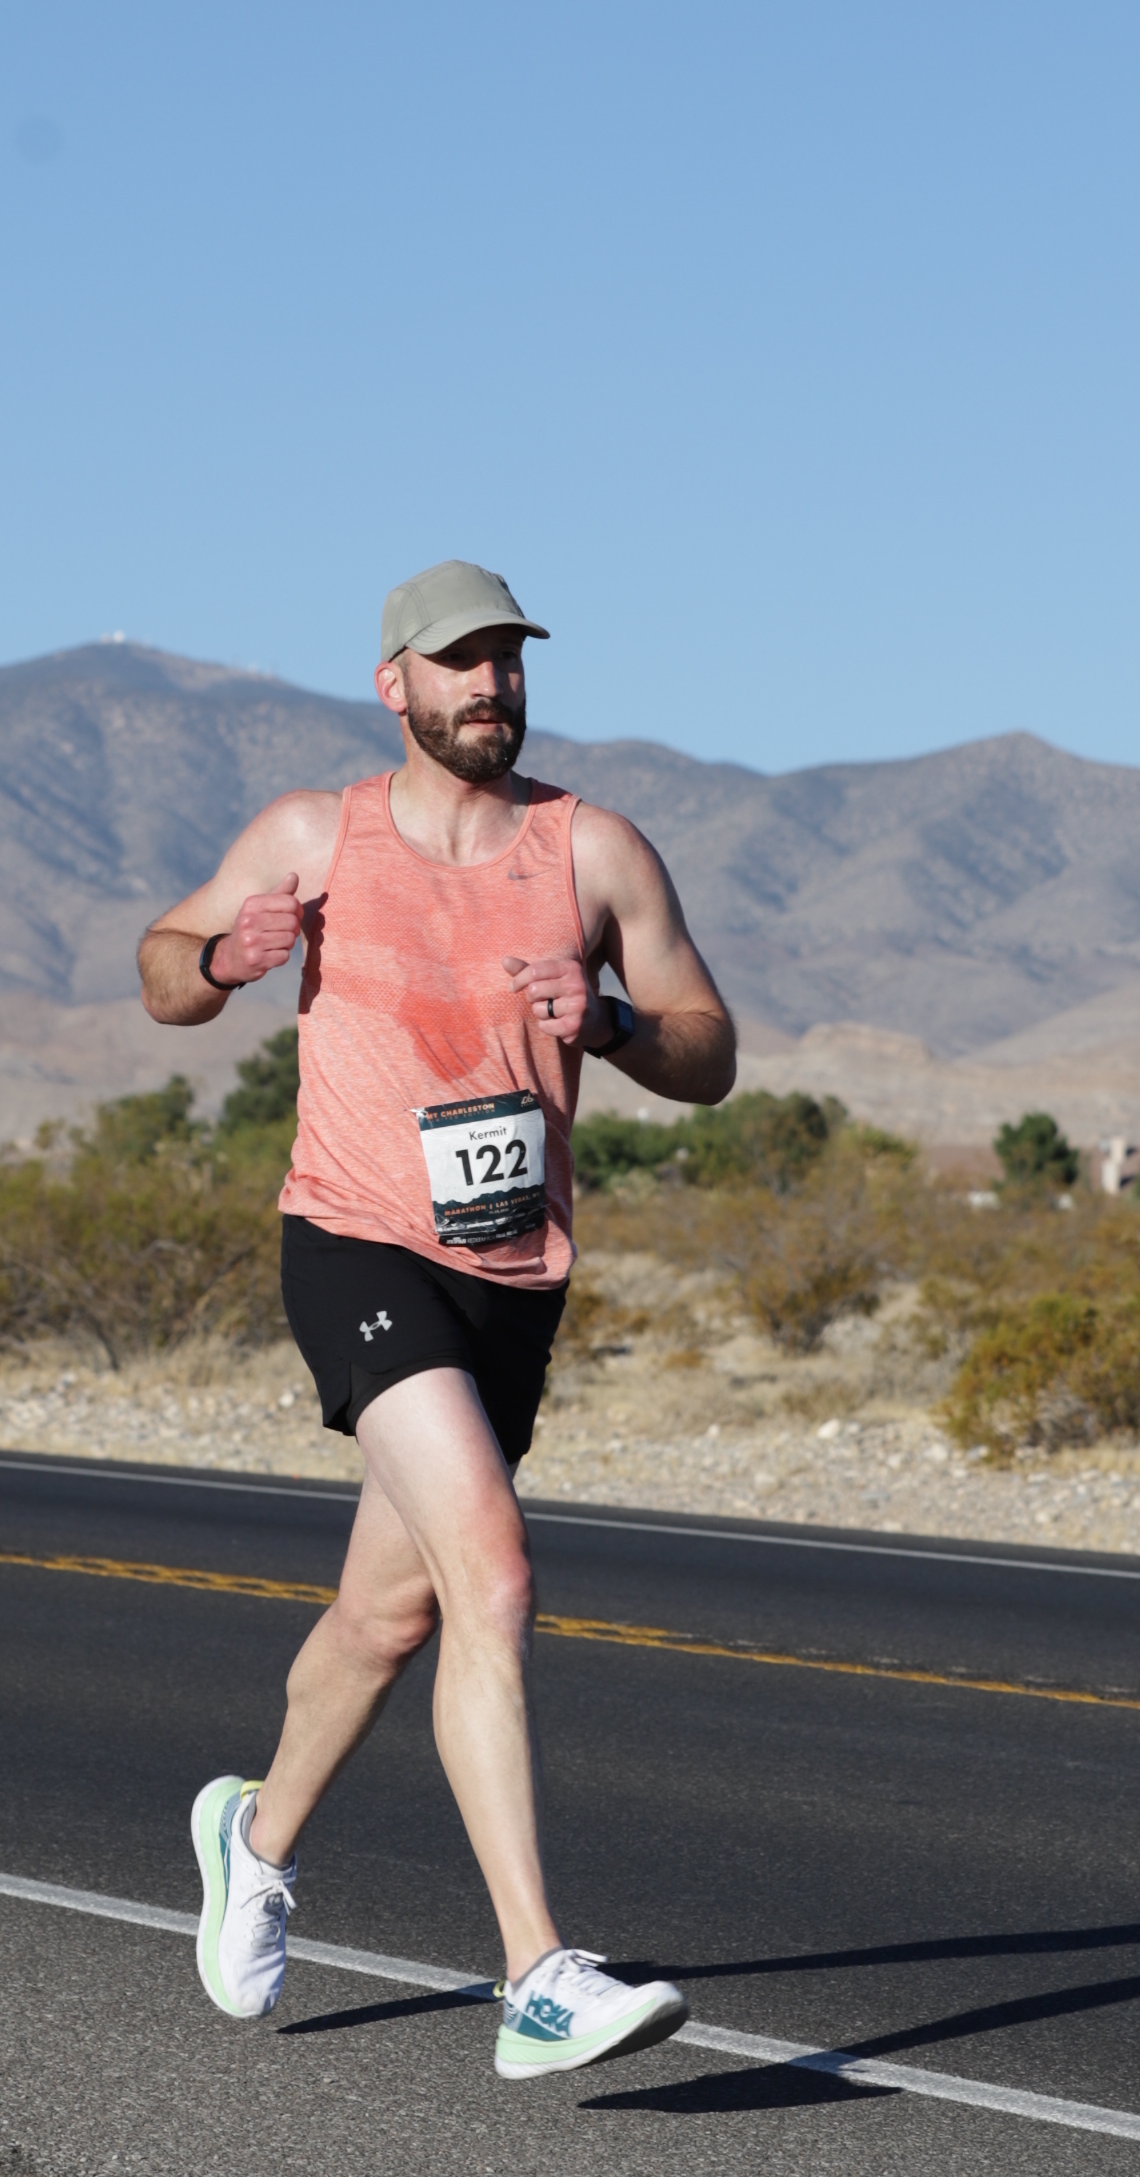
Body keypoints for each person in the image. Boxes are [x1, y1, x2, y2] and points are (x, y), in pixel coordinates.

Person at [137, 557, 739, 2080]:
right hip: (354, 1245)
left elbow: (709, 1050)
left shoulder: (594, 851)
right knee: (493, 1568)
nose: (491, 685)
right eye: (460, 662)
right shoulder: (312, 837)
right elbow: (160, 970)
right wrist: (223, 961)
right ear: (393, 683)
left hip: (512, 1275)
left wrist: (611, 1023)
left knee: (391, 1614)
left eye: (507, 659)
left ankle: (254, 1840)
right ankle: (537, 1973)